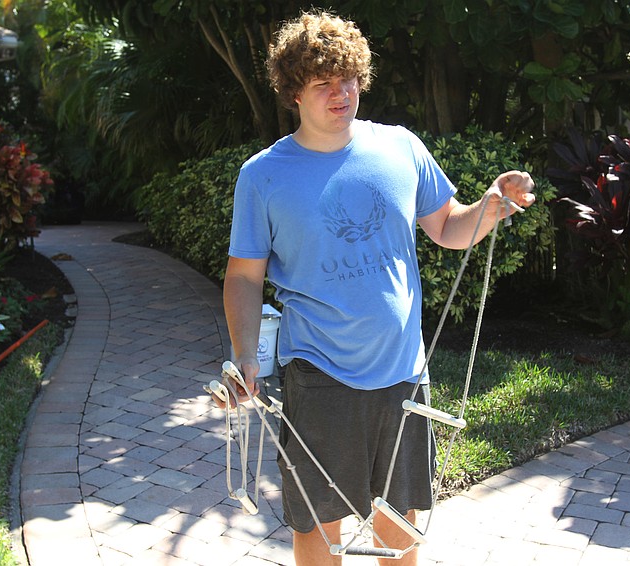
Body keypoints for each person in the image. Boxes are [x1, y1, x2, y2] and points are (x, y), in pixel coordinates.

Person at [219, 10, 535, 565]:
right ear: (295, 91)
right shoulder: (263, 175)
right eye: (323, 83)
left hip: (404, 370)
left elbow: (447, 227)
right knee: (319, 525)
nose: (340, 93)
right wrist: (245, 355)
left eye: (349, 79)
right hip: (318, 373)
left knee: (401, 523)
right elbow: (244, 276)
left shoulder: (400, 147)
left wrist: (490, 206)